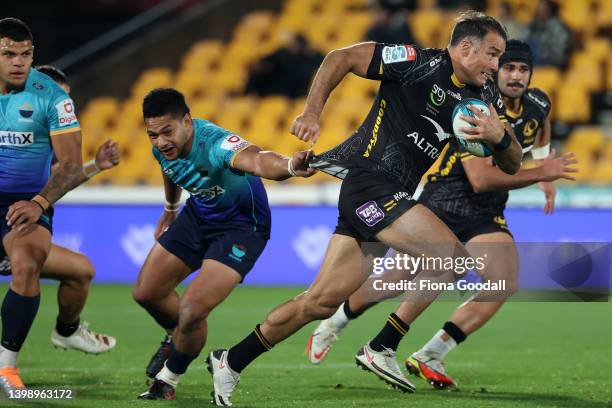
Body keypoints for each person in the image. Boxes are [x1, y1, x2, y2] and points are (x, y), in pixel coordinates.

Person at [207, 11, 524, 406]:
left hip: (389, 192)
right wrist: (311, 112)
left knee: (320, 301)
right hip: (370, 183)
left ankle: (231, 361)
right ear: (464, 47)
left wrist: (499, 137)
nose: (496, 65)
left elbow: (513, 160)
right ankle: (383, 346)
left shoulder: (485, 98)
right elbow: (342, 57)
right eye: (492, 54)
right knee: (451, 258)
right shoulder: (417, 62)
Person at [305, 40, 578, 390]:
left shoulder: (538, 102)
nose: (515, 75)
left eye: (523, 69)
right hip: (446, 197)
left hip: (486, 211)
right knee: (395, 280)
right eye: (508, 67)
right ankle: (336, 322)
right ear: (496, 70)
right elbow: (481, 179)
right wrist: (542, 172)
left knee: (502, 283)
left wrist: (543, 163)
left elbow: (540, 126)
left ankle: (429, 352)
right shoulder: (479, 104)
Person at [133, 88, 315, 400]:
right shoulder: (162, 149)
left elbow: (258, 161)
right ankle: (177, 335)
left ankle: (168, 378)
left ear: (187, 122)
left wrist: (287, 166)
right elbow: (171, 170)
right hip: (198, 216)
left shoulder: (216, 143)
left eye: (167, 131)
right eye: (153, 135)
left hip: (241, 227)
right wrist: (170, 207)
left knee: (191, 311)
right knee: (146, 292)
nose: (161, 142)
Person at [0, 17, 97, 395]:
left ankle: (6, 369)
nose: (18, 62)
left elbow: (70, 165)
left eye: (25, 54)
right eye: (9, 54)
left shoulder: (53, 98)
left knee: (27, 262)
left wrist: (39, 202)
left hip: (26, 201)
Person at [0, 64, 119, 355]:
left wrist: (95, 166)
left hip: (17, 230)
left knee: (81, 271)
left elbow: (58, 177)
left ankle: (67, 332)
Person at [526, 0, 571, 67]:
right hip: (534, 64)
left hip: (551, 65)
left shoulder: (557, 26)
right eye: (539, 8)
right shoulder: (532, 26)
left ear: (550, 9)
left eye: (544, 8)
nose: (540, 10)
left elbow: (561, 51)